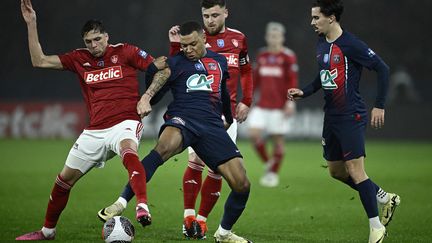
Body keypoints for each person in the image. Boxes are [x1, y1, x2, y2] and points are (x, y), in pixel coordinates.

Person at [98, 0, 253, 240]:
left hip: (211, 125)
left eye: (192, 44)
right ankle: (121, 201)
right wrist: (148, 86)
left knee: (242, 184)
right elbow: (156, 90)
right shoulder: (175, 62)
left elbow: (223, 94)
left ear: (203, 39)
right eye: (183, 45)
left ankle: (223, 233)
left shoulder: (220, 63)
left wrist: (228, 120)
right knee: (162, 149)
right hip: (182, 117)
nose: (187, 49)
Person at [16, 0, 167, 240]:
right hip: (94, 130)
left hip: (125, 121)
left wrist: (146, 97)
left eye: (98, 39)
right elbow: (40, 61)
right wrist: (31, 23)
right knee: (63, 180)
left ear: (106, 37)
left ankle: (142, 205)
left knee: (129, 151)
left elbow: (162, 68)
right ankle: (47, 231)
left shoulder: (125, 51)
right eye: (89, 41)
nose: (94, 45)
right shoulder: (79, 58)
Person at [287, 1, 400, 242]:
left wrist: (379, 105)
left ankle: (376, 227)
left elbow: (383, 69)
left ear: (332, 18)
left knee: (356, 171)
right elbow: (323, 75)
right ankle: (384, 197)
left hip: (352, 115)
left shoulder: (351, 44)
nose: (312, 22)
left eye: (316, 18)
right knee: (336, 172)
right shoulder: (321, 44)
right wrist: (305, 92)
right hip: (332, 117)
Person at [248, 22, 298, 187]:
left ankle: (272, 175)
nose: (274, 39)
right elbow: (255, 80)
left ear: (282, 38)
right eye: (271, 36)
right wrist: (249, 99)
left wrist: (290, 103)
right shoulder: (261, 55)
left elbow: (292, 81)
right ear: (267, 37)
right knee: (254, 134)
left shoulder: (288, 57)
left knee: (277, 141)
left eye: (276, 36)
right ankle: (270, 163)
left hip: (280, 107)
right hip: (261, 105)